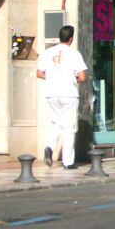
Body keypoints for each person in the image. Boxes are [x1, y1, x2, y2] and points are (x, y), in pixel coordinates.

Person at [37, 26, 88, 169]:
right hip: (69, 93)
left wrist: (54, 78)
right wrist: (71, 78)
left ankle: (49, 146)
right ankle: (68, 161)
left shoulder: (47, 53)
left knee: (55, 123)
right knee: (69, 127)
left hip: (51, 93)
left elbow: (40, 73)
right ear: (71, 39)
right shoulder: (74, 54)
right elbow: (83, 76)